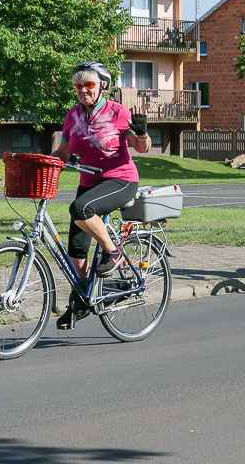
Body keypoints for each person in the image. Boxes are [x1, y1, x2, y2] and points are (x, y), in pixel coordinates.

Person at [51, 61, 151, 329]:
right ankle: (83, 301)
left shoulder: (117, 112)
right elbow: (62, 153)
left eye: (89, 84)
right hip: (89, 181)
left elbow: (142, 148)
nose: (83, 90)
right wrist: (38, 162)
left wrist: (142, 132)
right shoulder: (72, 116)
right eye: (78, 85)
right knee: (77, 251)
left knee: (80, 208)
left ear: (102, 86)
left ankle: (112, 250)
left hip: (121, 179)